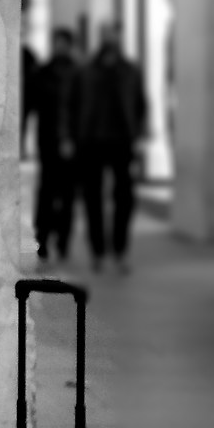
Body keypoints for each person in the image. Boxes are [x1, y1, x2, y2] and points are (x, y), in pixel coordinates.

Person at [76, 23, 147, 272]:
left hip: (121, 141)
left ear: (120, 38)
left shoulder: (130, 71)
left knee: (124, 198)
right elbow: (75, 104)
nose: (111, 38)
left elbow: (140, 105)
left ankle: (120, 250)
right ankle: (98, 251)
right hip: (92, 140)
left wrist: (139, 136)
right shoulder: (86, 70)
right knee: (92, 198)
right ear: (102, 37)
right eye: (107, 34)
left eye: (115, 34)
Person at [30, 28, 84, 263]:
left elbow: (83, 111)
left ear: (70, 45)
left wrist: (74, 140)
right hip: (48, 141)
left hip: (72, 143)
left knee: (68, 193)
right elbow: (33, 103)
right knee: (47, 191)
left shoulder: (80, 74)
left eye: (63, 43)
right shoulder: (43, 72)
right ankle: (42, 237)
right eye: (56, 43)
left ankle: (63, 240)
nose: (59, 47)